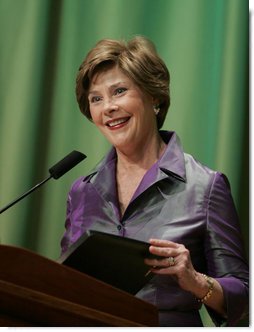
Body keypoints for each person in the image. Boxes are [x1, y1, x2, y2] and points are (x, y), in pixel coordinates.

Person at [60, 36, 249, 327]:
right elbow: (63, 286)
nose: (107, 107)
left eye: (119, 91)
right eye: (96, 98)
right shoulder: (82, 191)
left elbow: (245, 301)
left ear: (154, 96)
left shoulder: (205, 187)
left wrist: (197, 281)